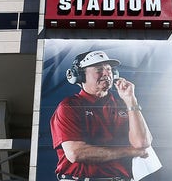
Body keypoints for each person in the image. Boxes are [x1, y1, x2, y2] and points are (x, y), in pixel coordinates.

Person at [50, 50, 152, 180]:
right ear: (80, 75)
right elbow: (76, 153)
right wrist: (128, 151)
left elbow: (142, 144)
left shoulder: (124, 104)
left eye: (109, 69)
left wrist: (131, 99)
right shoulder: (69, 106)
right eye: (99, 69)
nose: (106, 74)